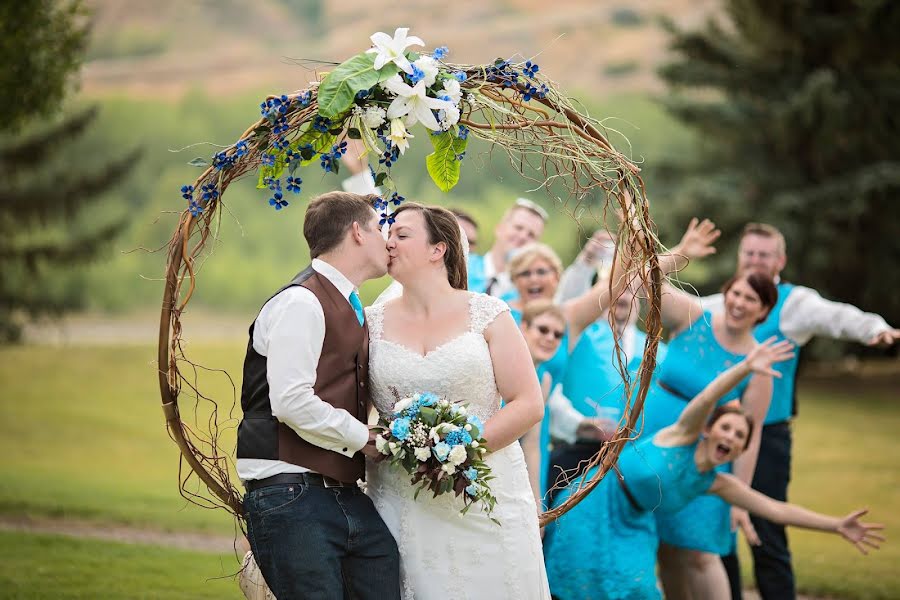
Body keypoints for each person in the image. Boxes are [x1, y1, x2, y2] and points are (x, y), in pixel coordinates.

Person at [543, 339, 884, 600]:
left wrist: (835, 525)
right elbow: (708, 398)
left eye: (740, 436)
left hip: (633, 521)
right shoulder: (682, 434)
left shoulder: (715, 483)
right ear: (709, 429)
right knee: (578, 577)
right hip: (596, 497)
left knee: (638, 589)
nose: (731, 436)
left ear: (740, 448)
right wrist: (747, 366)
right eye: (727, 428)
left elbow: (775, 509)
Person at [701, 222, 900, 600]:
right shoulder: (721, 303)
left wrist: (875, 329)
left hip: (769, 435)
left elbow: (838, 317)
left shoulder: (795, 303)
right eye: (749, 254)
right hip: (715, 436)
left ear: (780, 260)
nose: (755, 261)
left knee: (767, 531)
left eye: (764, 254)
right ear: (739, 257)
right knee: (714, 530)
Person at [364, 202, 551, 598]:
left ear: (439, 249)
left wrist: (457, 454)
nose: (389, 242)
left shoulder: (488, 314)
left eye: (401, 234)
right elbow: (360, 409)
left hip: (485, 497)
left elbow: (528, 402)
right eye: (388, 234)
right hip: (401, 500)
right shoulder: (370, 322)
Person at [235, 191, 400, 599]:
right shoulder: (301, 301)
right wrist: (366, 439)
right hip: (290, 492)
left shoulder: (351, 304)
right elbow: (291, 402)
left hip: (341, 493)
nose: (388, 241)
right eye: (381, 229)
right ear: (358, 233)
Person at [468, 198, 548, 297]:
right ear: (499, 229)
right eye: (518, 227)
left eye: (531, 235)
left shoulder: (527, 295)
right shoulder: (463, 266)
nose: (523, 236)